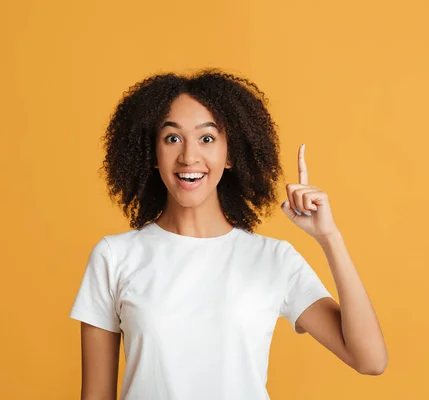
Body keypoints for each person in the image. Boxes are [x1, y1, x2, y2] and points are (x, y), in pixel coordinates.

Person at [69, 69, 388, 400]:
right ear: (152, 154)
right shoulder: (114, 256)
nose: (189, 156)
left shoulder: (274, 260)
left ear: (231, 155)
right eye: (172, 138)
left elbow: (371, 360)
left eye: (207, 139)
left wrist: (329, 238)